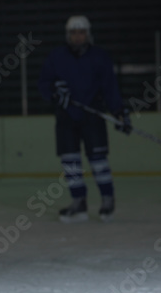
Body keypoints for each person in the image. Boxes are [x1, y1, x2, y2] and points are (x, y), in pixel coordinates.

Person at [38, 15, 131, 223]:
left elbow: (110, 87)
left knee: (98, 161)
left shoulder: (100, 57)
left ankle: (107, 200)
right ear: (67, 35)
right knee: (70, 162)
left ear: (88, 34)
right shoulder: (56, 56)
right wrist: (54, 92)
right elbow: (44, 83)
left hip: (92, 115)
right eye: (73, 33)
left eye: (81, 33)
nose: (77, 37)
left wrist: (118, 112)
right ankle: (78, 202)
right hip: (66, 117)